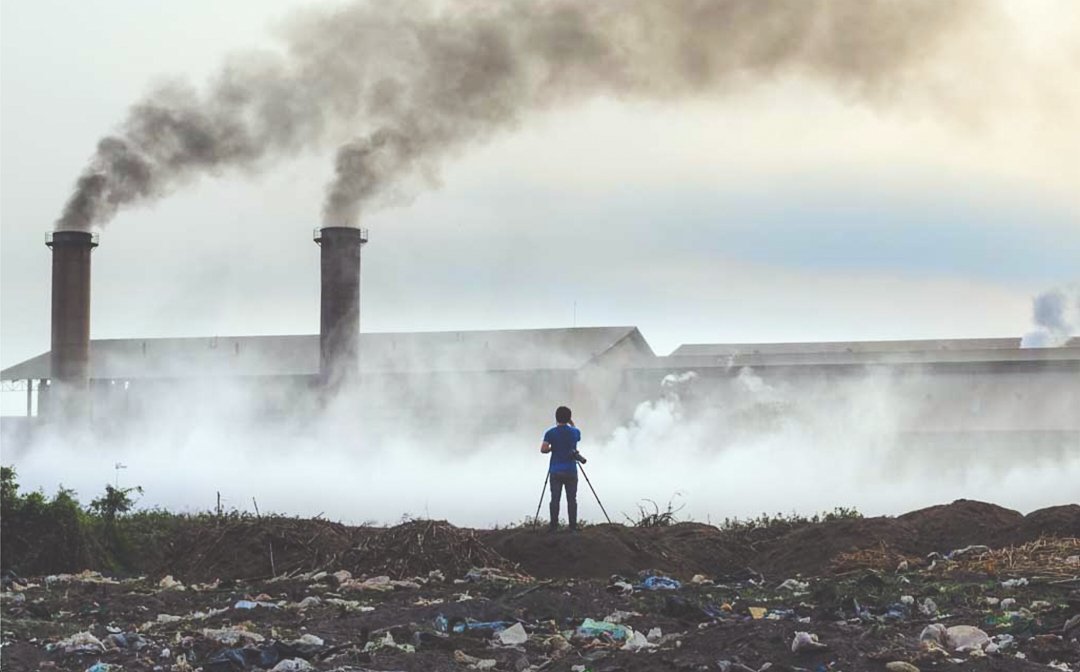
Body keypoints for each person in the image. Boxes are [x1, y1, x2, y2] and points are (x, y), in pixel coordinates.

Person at [540, 405, 581, 532]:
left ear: (556, 418)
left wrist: (553, 448)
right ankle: (573, 526)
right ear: (569, 418)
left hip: (556, 470)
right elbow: (576, 433)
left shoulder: (550, 433)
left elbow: (543, 449)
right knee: (572, 499)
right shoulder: (575, 432)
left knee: (555, 499)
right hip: (571, 470)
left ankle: (554, 526)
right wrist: (571, 422)